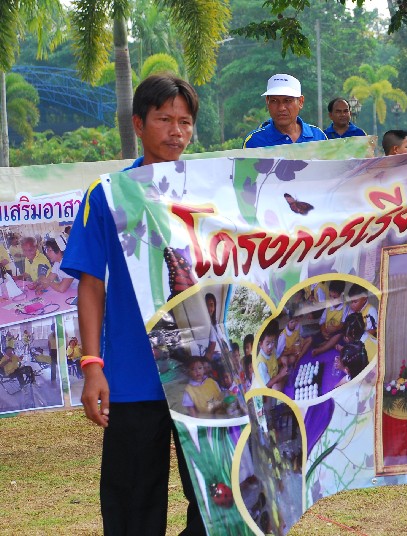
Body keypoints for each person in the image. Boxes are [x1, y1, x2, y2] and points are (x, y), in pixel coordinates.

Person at [60, 74, 205, 535]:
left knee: (219, 504)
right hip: (132, 377)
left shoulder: (210, 194)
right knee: (132, 509)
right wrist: (92, 367)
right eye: (164, 119)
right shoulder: (107, 194)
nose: (176, 131)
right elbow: (91, 285)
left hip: (203, 373)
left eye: (185, 121)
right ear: (139, 124)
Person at [243, 73, 327, 148]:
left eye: (288, 100)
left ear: (300, 102)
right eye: (274, 101)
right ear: (267, 101)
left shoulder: (318, 136)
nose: (281, 108)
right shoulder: (254, 141)